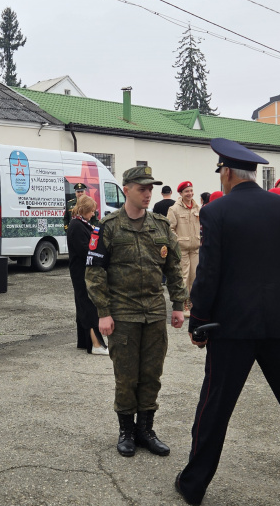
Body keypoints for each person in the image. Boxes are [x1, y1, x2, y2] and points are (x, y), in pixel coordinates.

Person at [176, 138, 280, 506]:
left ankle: (193, 486)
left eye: (221, 171)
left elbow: (209, 273)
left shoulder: (216, 211)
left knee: (215, 408)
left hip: (231, 327)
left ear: (227, 173)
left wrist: (198, 321)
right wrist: (277, 275)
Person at [85, 166, 187, 458]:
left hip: (154, 312)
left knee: (152, 375)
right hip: (123, 313)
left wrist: (178, 305)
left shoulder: (160, 225)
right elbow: (94, 273)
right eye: (142, 188)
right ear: (126, 189)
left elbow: (173, 268)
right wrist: (103, 312)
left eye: (150, 189)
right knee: (126, 376)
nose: (148, 194)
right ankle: (127, 431)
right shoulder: (107, 227)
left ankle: (146, 430)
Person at [66, 195, 107, 355]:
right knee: (88, 306)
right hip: (81, 271)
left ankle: (83, 341)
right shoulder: (77, 225)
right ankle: (96, 344)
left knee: (82, 304)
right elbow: (84, 249)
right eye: (91, 211)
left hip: (81, 270)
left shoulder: (80, 223)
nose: (93, 214)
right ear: (84, 210)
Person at [167, 181, 200, 316]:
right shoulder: (174, 209)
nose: (190, 194)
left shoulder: (197, 208)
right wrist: (178, 241)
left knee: (195, 276)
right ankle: (184, 304)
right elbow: (169, 229)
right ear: (180, 193)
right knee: (184, 277)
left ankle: (193, 302)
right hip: (182, 249)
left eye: (191, 190)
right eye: (187, 191)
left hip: (195, 248)